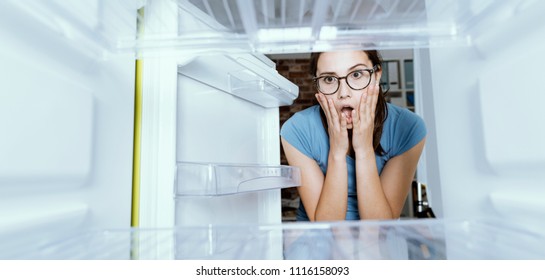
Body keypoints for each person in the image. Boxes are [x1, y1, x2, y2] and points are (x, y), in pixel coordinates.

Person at [280, 50, 427, 221]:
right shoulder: (297, 129)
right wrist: (337, 152)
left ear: (376, 75)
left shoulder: (408, 127)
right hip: (318, 242)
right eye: (329, 79)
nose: (344, 93)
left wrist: (364, 150)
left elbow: (380, 225)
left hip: (375, 243)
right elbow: (326, 225)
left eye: (356, 74)